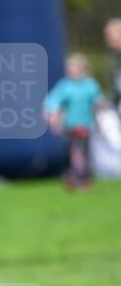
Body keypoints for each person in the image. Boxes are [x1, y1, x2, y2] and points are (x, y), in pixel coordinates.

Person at [44, 53, 104, 190]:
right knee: (75, 152)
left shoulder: (90, 85)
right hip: (70, 125)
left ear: (83, 69)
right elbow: (52, 101)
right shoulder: (65, 85)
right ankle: (78, 177)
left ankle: (79, 177)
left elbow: (98, 102)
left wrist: (100, 110)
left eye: (74, 68)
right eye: (69, 68)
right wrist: (52, 115)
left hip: (86, 124)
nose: (71, 71)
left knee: (82, 152)